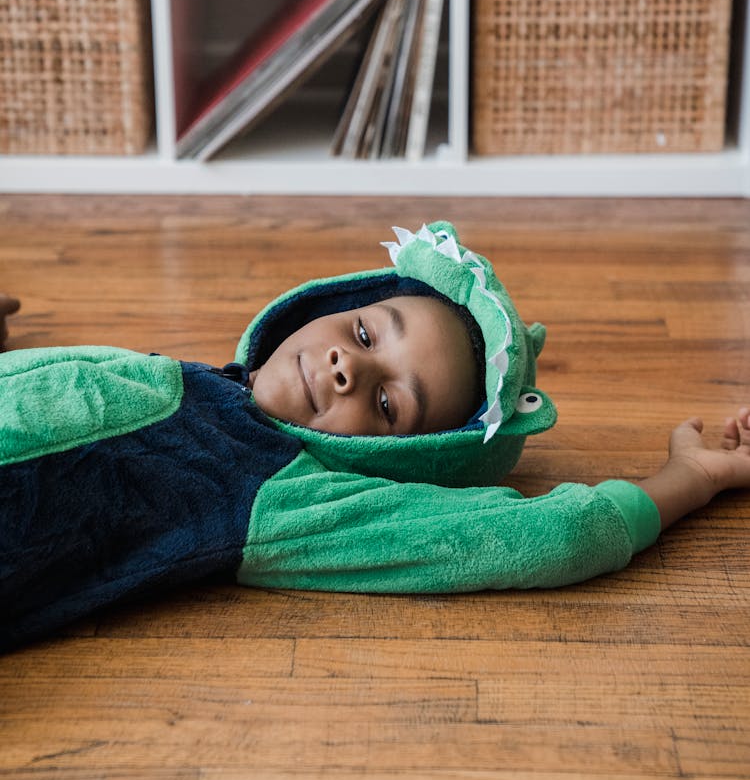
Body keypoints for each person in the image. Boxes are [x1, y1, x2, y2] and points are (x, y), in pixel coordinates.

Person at [1, 220, 748, 653]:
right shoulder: (200, 380)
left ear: (399, 457)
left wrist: (691, 475)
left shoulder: (284, 496)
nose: (346, 365)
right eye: (364, 330)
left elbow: (556, 534)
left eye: (390, 403)